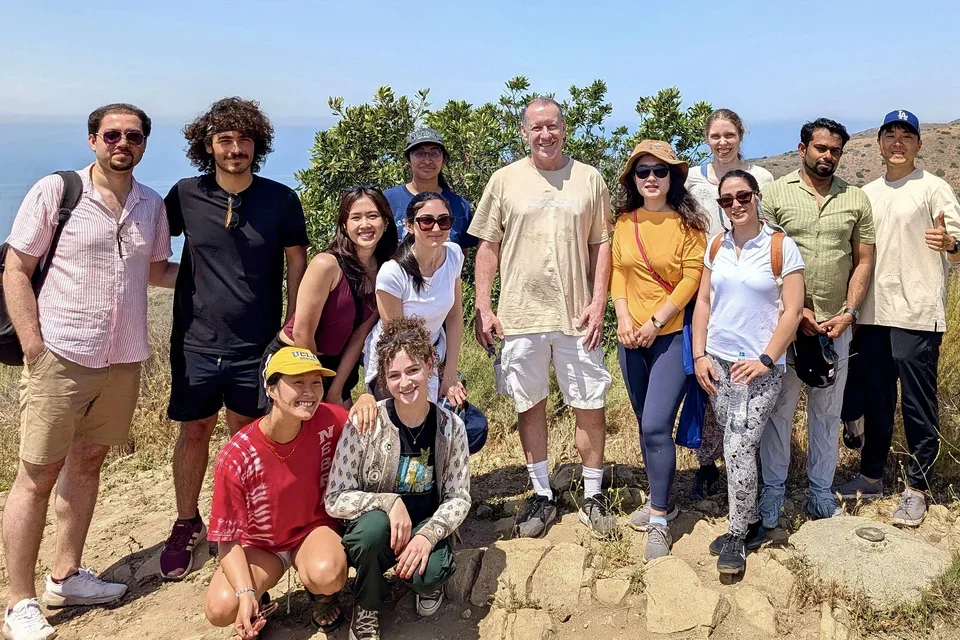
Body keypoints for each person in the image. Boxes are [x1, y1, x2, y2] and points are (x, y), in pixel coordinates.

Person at [1, 103, 177, 640]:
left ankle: (66, 575)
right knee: (36, 475)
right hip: (61, 355)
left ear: (144, 144)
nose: (123, 143)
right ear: (93, 139)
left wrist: (227, 270)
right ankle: (19, 601)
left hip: (123, 358)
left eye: (134, 136)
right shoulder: (58, 191)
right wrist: (34, 346)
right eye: (112, 134)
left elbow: (157, 270)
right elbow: (16, 267)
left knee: (89, 461)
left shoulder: (151, 204)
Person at [160, 97, 310, 581]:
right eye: (224, 140)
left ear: (256, 145)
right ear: (208, 146)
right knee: (194, 431)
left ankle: (247, 524)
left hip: (259, 344)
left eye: (244, 139)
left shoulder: (280, 199)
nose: (235, 149)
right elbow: (150, 246)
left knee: (249, 433)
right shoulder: (185, 194)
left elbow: (297, 262)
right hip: (196, 342)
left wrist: (292, 327)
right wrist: (189, 281)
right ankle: (187, 522)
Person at [470, 97, 614, 537]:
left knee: (589, 404)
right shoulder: (504, 180)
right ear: (524, 132)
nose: (545, 134)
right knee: (529, 405)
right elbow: (488, 246)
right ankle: (541, 493)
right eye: (537, 128)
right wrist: (483, 306)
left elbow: (601, 244)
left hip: (577, 316)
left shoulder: (589, 178)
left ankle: (593, 494)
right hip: (520, 315)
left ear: (564, 129)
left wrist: (598, 302)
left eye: (552, 126)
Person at [832, 110, 960, 526]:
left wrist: (950, 243)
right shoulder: (866, 193)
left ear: (919, 144)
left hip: (917, 314)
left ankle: (918, 487)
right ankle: (871, 476)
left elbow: (957, 245)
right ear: (880, 144)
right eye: (890, 135)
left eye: (907, 135)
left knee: (917, 405)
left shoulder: (934, 188)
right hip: (872, 314)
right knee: (877, 401)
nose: (898, 142)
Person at [758, 118, 875, 524]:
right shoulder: (775, 194)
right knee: (780, 411)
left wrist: (849, 311)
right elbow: (766, 258)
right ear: (802, 148)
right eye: (821, 148)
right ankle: (773, 491)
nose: (828, 156)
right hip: (786, 325)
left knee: (826, 411)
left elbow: (863, 261)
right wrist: (796, 310)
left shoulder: (855, 198)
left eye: (835, 150)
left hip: (835, 326)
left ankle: (821, 492)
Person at [325, 316, 470, 640]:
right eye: (394, 375)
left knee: (431, 573)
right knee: (370, 532)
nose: (405, 383)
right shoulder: (366, 422)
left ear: (430, 365)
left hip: (423, 523)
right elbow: (334, 497)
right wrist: (388, 502)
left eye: (412, 370)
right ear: (384, 379)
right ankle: (367, 604)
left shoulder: (451, 427)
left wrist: (429, 535)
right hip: (379, 529)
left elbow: (459, 496)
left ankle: (420, 578)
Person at [692, 170, 805, 574]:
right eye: (727, 200)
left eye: (743, 196)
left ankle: (737, 535)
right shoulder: (717, 244)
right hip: (718, 364)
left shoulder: (780, 246)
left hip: (758, 368)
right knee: (735, 444)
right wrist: (700, 355)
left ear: (756, 196)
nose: (736, 205)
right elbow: (703, 302)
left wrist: (766, 360)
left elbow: (793, 311)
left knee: (738, 446)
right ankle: (753, 520)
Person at [204, 347, 349, 637]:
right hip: (262, 545)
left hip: (312, 530)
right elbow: (227, 539)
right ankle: (257, 600)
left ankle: (322, 596)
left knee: (328, 573)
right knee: (220, 609)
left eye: (316, 382)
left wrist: (367, 400)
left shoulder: (328, 419)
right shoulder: (237, 456)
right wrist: (246, 592)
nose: (309, 392)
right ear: (271, 389)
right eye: (297, 382)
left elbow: (367, 420)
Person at [611, 140, 707, 560]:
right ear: (633, 179)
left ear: (673, 177)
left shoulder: (689, 225)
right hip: (631, 339)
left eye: (660, 171)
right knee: (644, 423)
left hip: (668, 336)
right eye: (643, 171)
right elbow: (618, 272)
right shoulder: (624, 222)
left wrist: (654, 323)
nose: (651, 178)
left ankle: (660, 519)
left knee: (655, 426)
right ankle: (658, 498)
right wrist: (623, 318)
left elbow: (691, 279)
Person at [684, 109, 775, 498]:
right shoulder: (691, 179)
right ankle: (707, 464)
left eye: (730, 135)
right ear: (707, 138)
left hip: (750, 287)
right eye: (716, 136)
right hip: (704, 283)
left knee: (749, 379)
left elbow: (771, 225)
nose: (723, 142)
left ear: (741, 135)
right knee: (708, 378)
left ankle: (750, 463)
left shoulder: (761, 178)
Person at [260, 186, 398, 408]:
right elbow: (302, 333)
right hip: (296, 357)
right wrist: (318, 384)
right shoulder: (326, 265)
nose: (365, 224)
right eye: (356, 218)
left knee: (341, 427)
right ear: (344, 225)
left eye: (373, 216)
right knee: (294, 428)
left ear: (386, 221)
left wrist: (335, 389)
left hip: (338, 365)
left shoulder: (385, 271)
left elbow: (359, 336)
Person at [362, 192, 466, 407]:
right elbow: (397, 337)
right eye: (426, 221)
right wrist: (424, 377)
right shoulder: (393, 273)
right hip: (395, 360)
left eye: (444, 221)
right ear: (409, 225)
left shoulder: (454, 255)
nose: (436, 228)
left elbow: (455, 315)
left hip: (433, 353)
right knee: (409, 420)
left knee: (447, 417)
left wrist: (450, 374)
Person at [384, 128, 477, 251]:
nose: (427, 160)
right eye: (419, 153)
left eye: (434, 153)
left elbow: (461, 252)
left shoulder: (459, 205)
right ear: (408, 159)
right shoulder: (387, 200)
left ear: (443, 159)